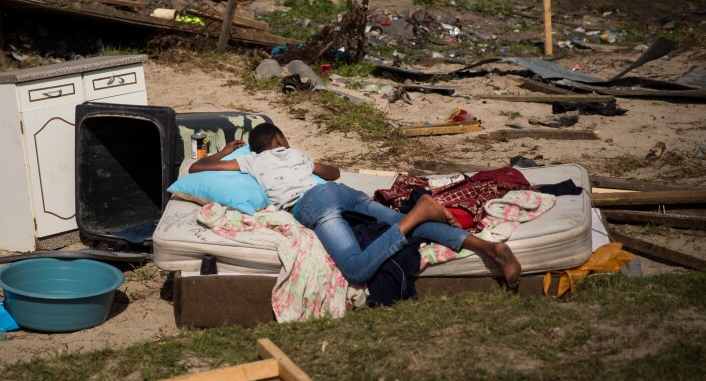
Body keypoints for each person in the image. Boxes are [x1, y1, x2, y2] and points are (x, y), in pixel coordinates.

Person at [190, 123, 521, 289]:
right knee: (400, 221)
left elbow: (196, 170)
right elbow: (333, 173)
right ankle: (490, 247)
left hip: (311, 205)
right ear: (279, 140)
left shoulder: (251, 162)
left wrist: (225, 151)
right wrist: (308, 164)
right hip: (341, 192)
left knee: (356, 268)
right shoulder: (296, 155)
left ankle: (418, 213)